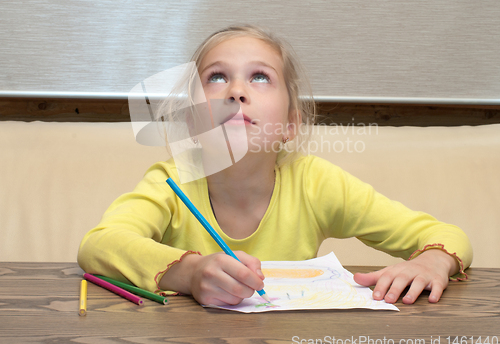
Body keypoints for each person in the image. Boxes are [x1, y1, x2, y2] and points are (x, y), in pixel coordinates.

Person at [78, 25, 472, 307]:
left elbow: (446, 234)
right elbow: (99, 245)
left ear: (290, 125)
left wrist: (434, 260)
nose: (236, 91)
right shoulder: (170, 180)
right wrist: (191, 274)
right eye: (216, 77)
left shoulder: (316, 183)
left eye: (260, 77)